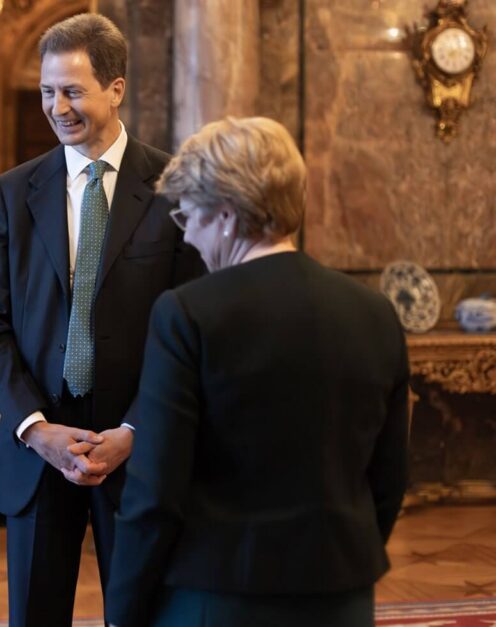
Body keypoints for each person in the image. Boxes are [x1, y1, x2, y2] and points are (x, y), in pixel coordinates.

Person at [105, 117, 410, 627]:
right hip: (340, 593)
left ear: (225, 214)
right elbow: (388, 476)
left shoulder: (188, 313)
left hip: (218, 594)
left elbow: (156, 489)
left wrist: (123, 605)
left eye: (190, 217)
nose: (191, 238)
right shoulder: (374, 312)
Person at [0, 13, 204, 627]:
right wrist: (34, 427)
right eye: (48, 91)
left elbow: (192, 329)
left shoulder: (174, 188)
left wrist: (135, 429)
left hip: (137, 451)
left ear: (116, 88)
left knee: (144, 614)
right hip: (39, 453)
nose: (57, 107)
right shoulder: (12, 194)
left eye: (72, 90)